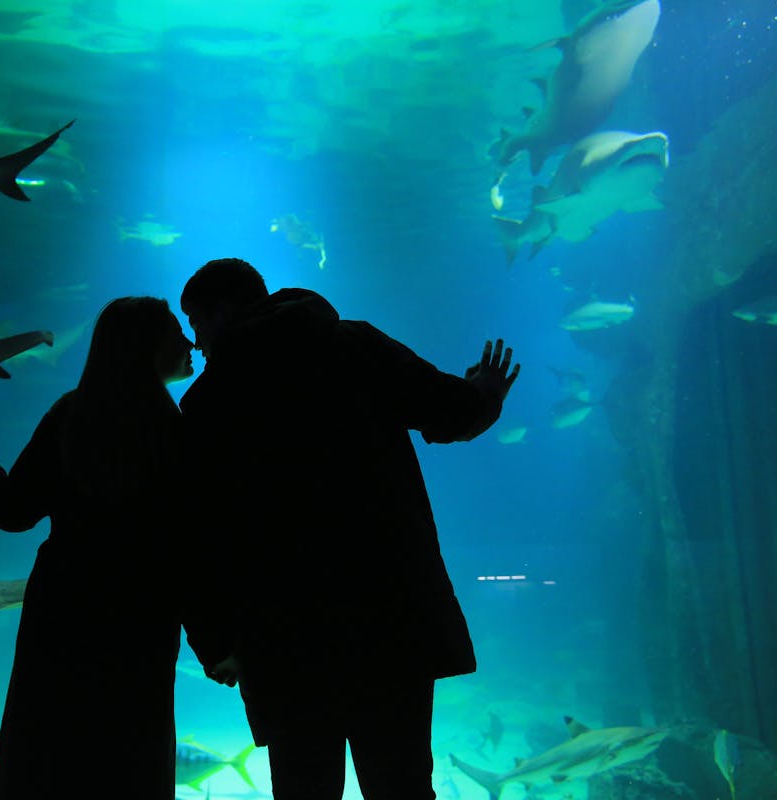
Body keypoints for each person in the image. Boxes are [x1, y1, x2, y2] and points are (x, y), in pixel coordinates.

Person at [177, 258, 520, 800]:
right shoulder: (355, 345)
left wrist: (214, 639)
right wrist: (484, 394)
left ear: (220, 311)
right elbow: (449, 413)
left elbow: (197, 534)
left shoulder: (207, 402)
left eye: (197, 323)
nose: (196, 342)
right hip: (391, 615)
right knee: (402, 782)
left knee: (304, 786)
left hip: (282, 632)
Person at [0, 296, 195, 800]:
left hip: (64, 605)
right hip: (142, 611)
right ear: (145, 347)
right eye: (174, 333)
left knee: (45, 741)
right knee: (132, 744)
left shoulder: (72, 413)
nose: (189, 343)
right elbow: (194, 540)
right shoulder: (177, 430)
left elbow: (15, 512)